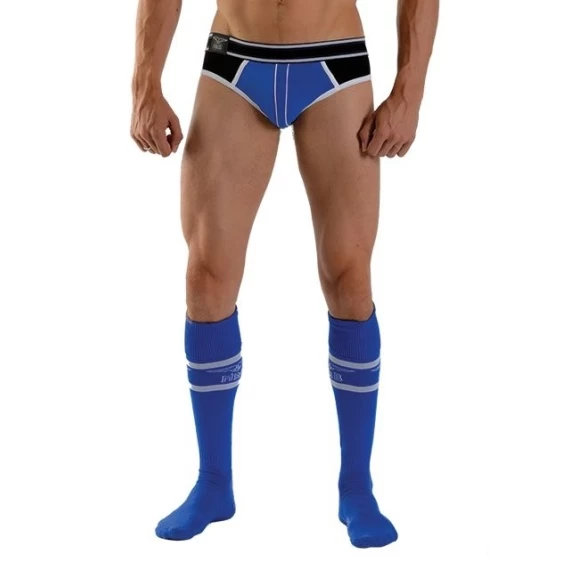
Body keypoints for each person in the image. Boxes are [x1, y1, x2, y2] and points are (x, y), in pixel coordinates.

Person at [130, 0, 438, 549]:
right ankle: (213, 483)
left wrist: (409, 93)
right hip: (235, 59)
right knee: (205, 278)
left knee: (349, 279)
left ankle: (356, 487)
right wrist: (144, 83)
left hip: (333, 61)